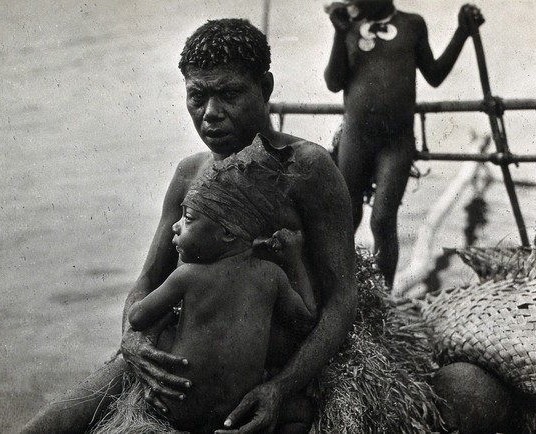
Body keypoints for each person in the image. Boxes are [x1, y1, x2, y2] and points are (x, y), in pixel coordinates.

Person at [20, 18, 356, 433]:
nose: (211, 114)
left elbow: (341, 299)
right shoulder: (190, 174)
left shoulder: (307, 167)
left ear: (265, 89)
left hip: (269, 368)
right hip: (183, 363)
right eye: (197, 97)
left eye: (230, 94)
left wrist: (282, 388)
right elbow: (147, 280)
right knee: (48, 425)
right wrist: (133, 341)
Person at [125, 137, 318, 433]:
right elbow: (306, 319)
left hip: (181, 409)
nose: (176, 226)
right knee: (302, 413)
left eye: (188, 219)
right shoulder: (272, 276)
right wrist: (294, 261)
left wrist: (167, 317)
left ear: (228, 233)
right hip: (237, 413)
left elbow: (137, 317)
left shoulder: (186, 275)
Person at [324, 0, 484, 287]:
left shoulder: (412, 24)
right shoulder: (349, 28)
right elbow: (334, 83)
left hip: (395, 143)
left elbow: (434, 75)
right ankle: (341, 295)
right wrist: (339, 34)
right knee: (346, 217)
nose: (353, 5)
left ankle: (383, 301)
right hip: (355, 139)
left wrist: (462, 31)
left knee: (383, 219)